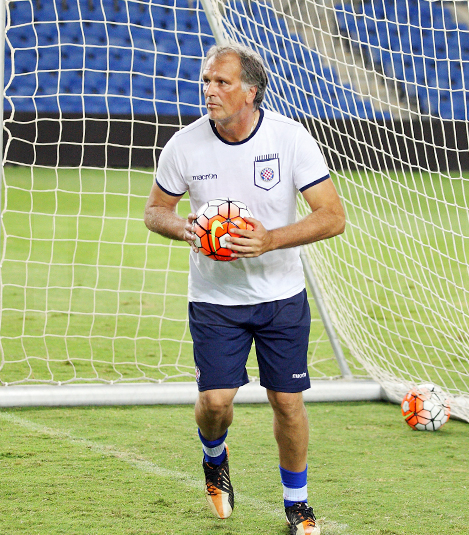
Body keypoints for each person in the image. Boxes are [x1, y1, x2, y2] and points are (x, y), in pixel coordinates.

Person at [143, 42, 345, 535]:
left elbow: (333, 217)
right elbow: (155, 212)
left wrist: (269, 239)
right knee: (215, 403)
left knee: (287, 402)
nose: (208, 91)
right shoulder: (184, 145)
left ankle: (296, 504)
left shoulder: (289, 139)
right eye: (205, 82)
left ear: (251, 91)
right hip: (215, 300)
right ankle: (215, 458)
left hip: (280, 296)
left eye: (221, 82)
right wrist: (184, 229)